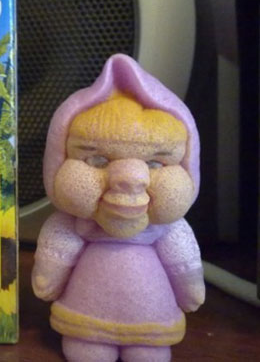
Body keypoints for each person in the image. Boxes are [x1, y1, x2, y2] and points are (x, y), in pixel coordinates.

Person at [32, 54, 204, 362]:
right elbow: (58, 250)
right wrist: (49, 274)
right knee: (87, 352)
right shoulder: (72, 224)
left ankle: (145, 344)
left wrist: (190, 285)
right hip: (85, 315)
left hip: (151, 315)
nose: (130, 178)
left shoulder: (167, 229)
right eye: (98, 161)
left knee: (148, 354)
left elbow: (182, 256)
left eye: (155, 163)